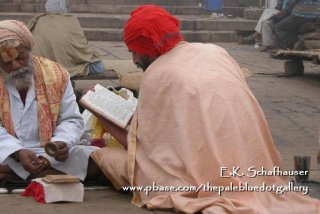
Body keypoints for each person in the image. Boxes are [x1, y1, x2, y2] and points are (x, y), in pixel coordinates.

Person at [83, 5, 320, 213]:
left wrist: (100, 114)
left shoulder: (158, 75)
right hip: (253, 172)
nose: (134, 61)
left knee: (104, 156)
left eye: (135, 51)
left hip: (196, 182)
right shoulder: (216, 52)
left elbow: (140, 149)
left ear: (147, 48)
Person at [0, 20, 100, 187]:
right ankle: (42, 174)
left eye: (20, 57)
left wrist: (62, 142)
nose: (16, 66)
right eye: (7, 63)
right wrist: (17, 152)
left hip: (51, 154)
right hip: (11, 155)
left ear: (28, 50)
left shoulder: (57, 74)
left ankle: (15, 175)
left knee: (97, 160)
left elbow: (71, 119)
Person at [27, 1, 105, 78]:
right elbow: (82, 48)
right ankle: (66, 78)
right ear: (65, 7)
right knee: (99, 66)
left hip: (41, 67)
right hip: (64, 67)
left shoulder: (39, 20)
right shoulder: (70, 21)